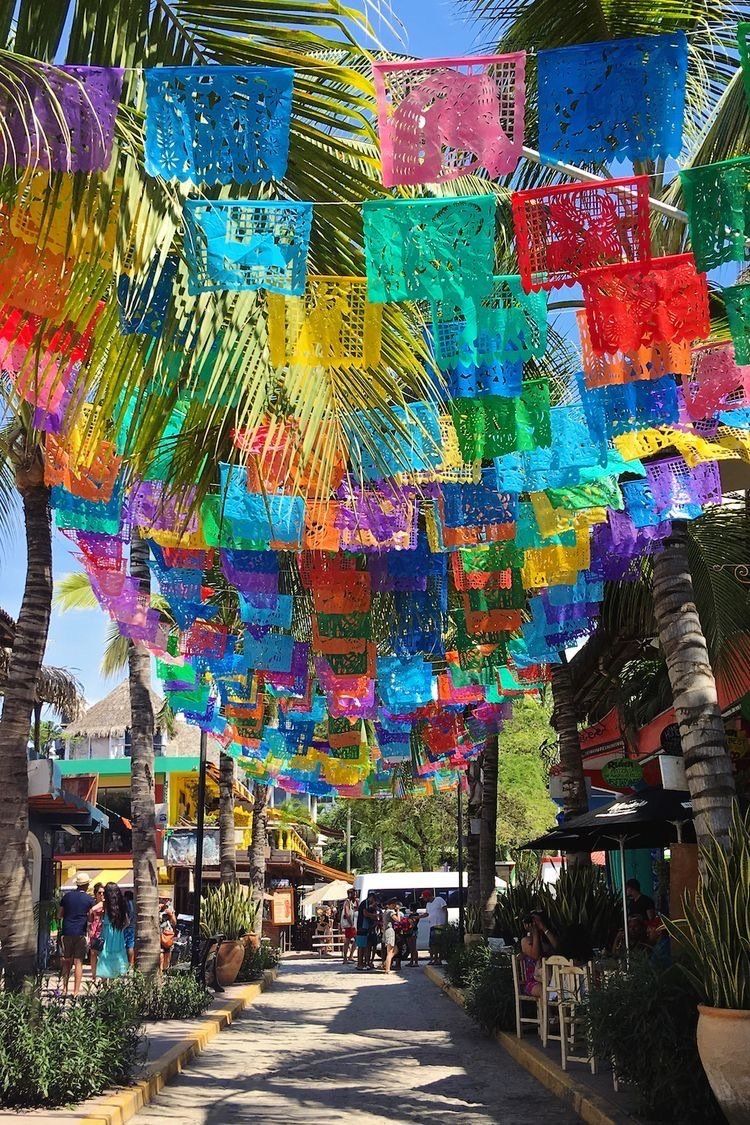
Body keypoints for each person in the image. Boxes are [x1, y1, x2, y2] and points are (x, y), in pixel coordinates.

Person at [59, 872, 95, 995]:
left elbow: (60, 914)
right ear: (87, 885)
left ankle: (64, 989)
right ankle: (75, 991)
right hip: (80, 932)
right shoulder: (89, 899)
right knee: (78, 962)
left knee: (67, 961)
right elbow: (90, 918)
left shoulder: (67, 897)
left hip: (67, 931)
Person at [95, 882, 130, 979]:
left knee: (104, 956)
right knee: (119, 955)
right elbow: (127, 922)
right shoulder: (122, 904)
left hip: (107, 934)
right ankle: (116, 982)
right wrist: (120, 929)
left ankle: (104, 985)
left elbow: (92, 909)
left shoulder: (105, 904)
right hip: (118, 933)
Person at [519, 911, 558, 998]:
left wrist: (544, 928)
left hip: (551, 977)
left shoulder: (546, 940)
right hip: (533, 980)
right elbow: (535, 955)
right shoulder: (526, 941)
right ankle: (547, 1012)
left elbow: (558, 947)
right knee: (543, 990)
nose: (535, 924)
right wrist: (535, 933)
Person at [420, 889, 448, 965]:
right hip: (432, 925)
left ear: (428, 896)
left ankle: (439, 960)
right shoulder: (428, 904)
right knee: (432, 944)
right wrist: (419, 917)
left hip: (439, 925)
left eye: (424, 898)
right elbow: (427, 914)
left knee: (438, 943)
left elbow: (445, 910)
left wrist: (446, 922)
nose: (424, 900)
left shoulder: (439, 900)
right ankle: (434, 959)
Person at [356, 892, 379, 971]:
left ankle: (365, 963)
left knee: (365, 946)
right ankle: (359, 963)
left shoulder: (369, 905)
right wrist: (375, 916)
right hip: (362, 927)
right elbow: (365, 914)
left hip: (367, 928)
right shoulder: (364, 903)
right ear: (371, 897)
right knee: (361, 946)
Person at [87, 883, 105, 982]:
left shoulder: (106, 904)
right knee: (93, 953)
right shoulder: (93, 904)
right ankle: (93, 975)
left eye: (103, 892)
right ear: (95, 894)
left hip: (103, 929)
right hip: (94, 929)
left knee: (102, 953)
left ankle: (103, 976)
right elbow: (90, 917)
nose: (102, 894)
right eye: (99, 892)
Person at [382, 899, 402, 974]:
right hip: (389, 931)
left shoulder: (385, 912)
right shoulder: (391, 912)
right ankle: (387, 969)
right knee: (390, 952)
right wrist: (398, 911)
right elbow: (398, 920)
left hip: (386, 931)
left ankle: (385, 963)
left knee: (395, 950)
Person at [340, 889, 358, 965]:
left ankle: (350, 956)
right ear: (350, 894)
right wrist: (351, 924)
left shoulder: (354, 902)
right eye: (354, 894)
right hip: (350, 925)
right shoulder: (347, 902)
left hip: (353, 924)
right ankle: (345, 958)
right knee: (347, 941)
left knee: (356, 939)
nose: (355, 895)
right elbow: (347, 914)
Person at [159, 895, 177, 970]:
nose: (166, 901)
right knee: (160, 953)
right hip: (159, 933)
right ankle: (160, 971)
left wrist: (171, 914)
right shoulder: (156, 907)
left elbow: (174, 923)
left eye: (167, 899)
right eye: (164, 899)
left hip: (167, 932)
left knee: (168, 952)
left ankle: (166, 969)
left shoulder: (170, 908)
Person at [123, 889, 135, 967]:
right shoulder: (134, 903)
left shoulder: (127, 903)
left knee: (125, 945)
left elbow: (127, 915)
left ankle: (126, 963)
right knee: (130, 946)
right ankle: (131, 963)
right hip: (133, 926)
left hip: (127, 926)